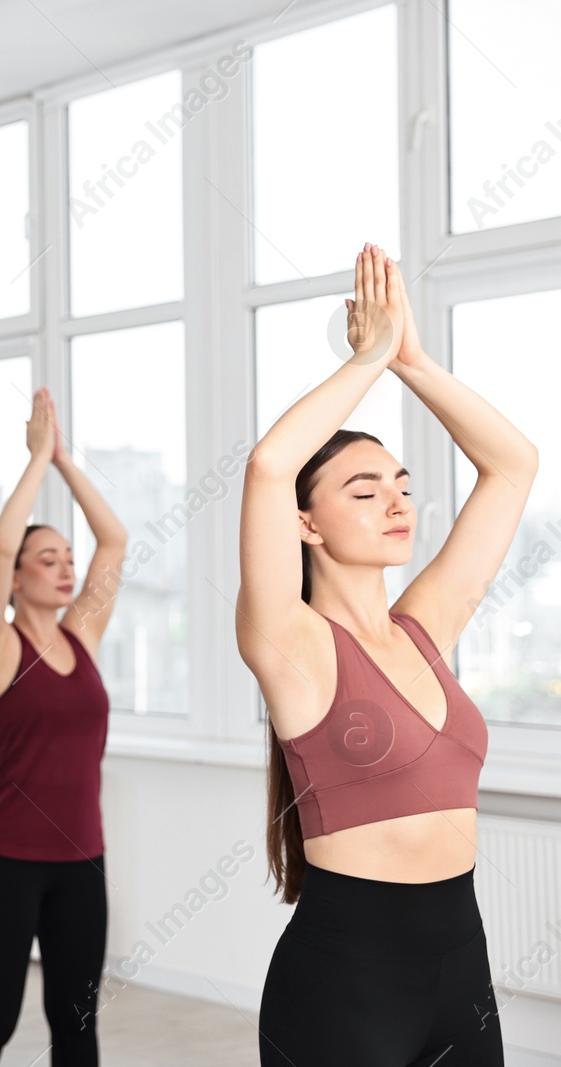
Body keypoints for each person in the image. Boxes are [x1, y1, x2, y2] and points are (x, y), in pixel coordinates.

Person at [237, 243, 533, 1064]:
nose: (396, 502)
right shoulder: (291, 643)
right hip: (346, 981)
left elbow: (513, 465)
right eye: (364, 493)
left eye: (401, 485)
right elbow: (268, 467)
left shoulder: (423, 626)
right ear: (308, 523)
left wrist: (412, 361)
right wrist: (365, 359)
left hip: (459, 970)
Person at [0, 387, 126, 1067]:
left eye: (65, 560)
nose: (64, 569)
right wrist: (31, 463)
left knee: (76, 1024)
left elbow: (114, 538)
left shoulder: (82, 635)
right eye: (45, 560)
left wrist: (62, 459)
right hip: (6, 863)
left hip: (82, 860)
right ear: (16, 579)